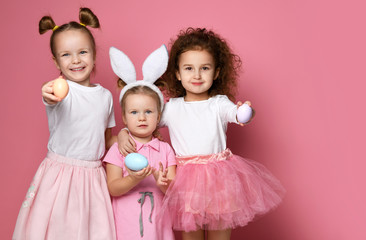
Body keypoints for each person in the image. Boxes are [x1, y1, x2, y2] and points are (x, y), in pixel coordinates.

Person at [118, 28, 285, 240]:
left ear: (216, 73)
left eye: (204, 68)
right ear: (177, 73)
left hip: (220, 179)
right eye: (189, 68)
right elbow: (145, 124)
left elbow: (238, 114)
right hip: (185, 181)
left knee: (219, 234)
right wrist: (124, 133)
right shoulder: (172, 107)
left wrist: (246, 112)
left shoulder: (219, 103)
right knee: (191, 235)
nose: (196, 75)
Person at [13, 8, 116, 240]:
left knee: (90, 232)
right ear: (56, 61)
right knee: (56, 230)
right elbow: (49, 96)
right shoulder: (60, 90)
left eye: (82, 52)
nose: (76, 60)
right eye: (66, 55)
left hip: (93, 178)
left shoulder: (105, 96)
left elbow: (107, 139)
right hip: (60, 176)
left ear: (93, 55)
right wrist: (48, 93)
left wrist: (130, 139)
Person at [105, 46, 176, 239]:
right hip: (126, 226)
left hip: (158, 227)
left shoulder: (166, 149)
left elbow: (172, 190)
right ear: (125, 118)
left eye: (149, 112)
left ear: (159, 116)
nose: (142, 118)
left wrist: (162, 183)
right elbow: (113, 187)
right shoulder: (119, 148)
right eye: (134, 112)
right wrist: (133, 179)